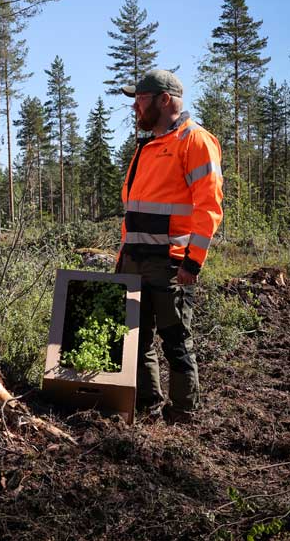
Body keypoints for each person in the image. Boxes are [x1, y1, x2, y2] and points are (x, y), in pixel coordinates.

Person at [116, 69, 223, 423]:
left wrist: (192, 263)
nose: (135, 106)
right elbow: (134, 214)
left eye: (141, 99)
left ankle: (182, 417)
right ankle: (148, 407)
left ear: (165, 100)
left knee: (175, 342)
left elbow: (209, 207)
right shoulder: (147, 147)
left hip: (171, 264)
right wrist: (122, 260)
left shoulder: (196, 142)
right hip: (134, 263)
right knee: (137, 339)